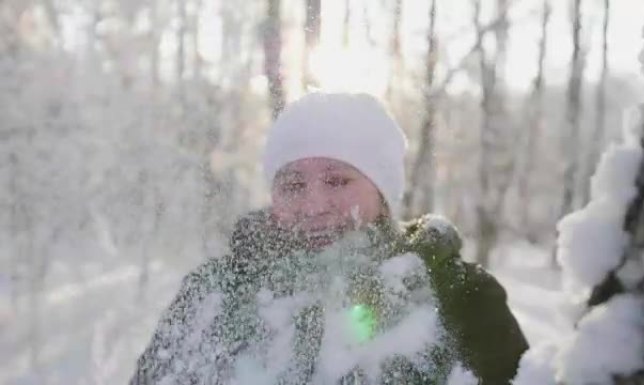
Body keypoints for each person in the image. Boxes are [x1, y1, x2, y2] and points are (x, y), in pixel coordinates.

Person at [130, 92, 528, 385]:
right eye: (293, 184)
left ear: (383, 191)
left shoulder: (458, 293)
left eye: (338, 180)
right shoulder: (214, 293)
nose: (314, 205)